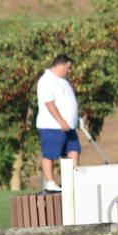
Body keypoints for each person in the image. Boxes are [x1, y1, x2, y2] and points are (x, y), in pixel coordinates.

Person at [35, 54, 80, 193]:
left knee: (74, 150)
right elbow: (49, 103)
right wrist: (61, 121)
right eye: (68, 67)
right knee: (50, 154)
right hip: (52, 126)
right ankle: (50, 183)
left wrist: (75, 119)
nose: (69, 70)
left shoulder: (63, 80)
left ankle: (73, 181)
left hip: (69, 126)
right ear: (61, 65)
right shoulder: (46, 81)